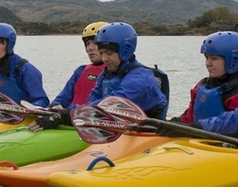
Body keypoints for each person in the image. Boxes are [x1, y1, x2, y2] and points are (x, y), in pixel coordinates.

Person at [29, 22, 168, 131]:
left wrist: (66, 115)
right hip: (116, 128)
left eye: (109, 53)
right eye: (101, 53)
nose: (104, 58)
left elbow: (111, 104)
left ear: (125, 50)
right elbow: (91, 104)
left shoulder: (140, 79)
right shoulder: (106, 74)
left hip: (145, 134)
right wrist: (62, 112)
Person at [159, 31, 238, 138]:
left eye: (214, 58)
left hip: (224, 146)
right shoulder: (203, 85)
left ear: (233, 60)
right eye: (207, 58)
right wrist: (171, 124)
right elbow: (188, 118)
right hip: (198, 141)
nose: (208, 63)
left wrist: (195, 129)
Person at [47, 21, 107, 110]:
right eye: (87, 44)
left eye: (95, 43)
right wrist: (55, 105)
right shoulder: (81, 71)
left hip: (91, 118)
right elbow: (63, 98)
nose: (90, 48)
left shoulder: (115, 74)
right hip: (70, 118)